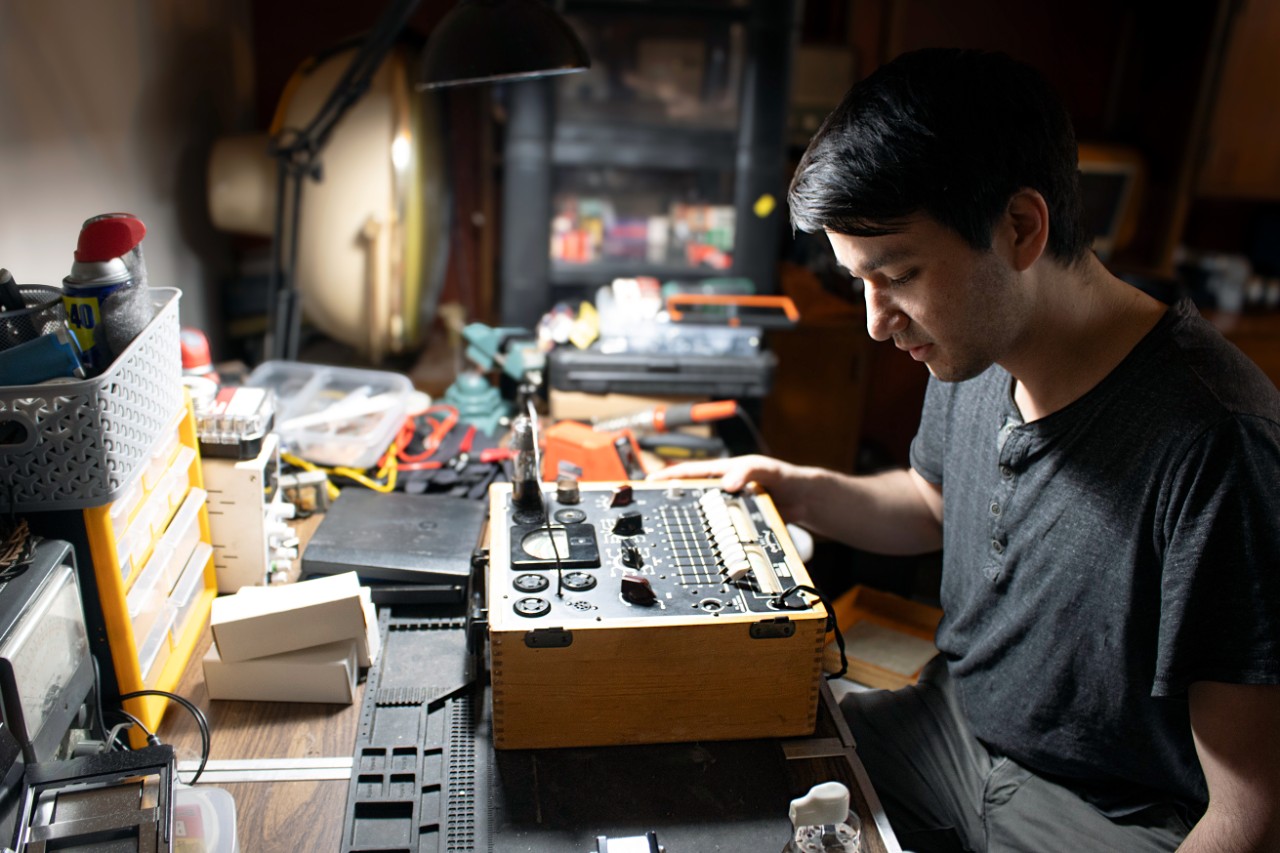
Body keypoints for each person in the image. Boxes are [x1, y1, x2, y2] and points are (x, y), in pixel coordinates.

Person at [651, 49, 1280, 852]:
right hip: (945, 729)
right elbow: (935, 505)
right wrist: (796, 486)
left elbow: (1250, 813)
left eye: (899, 274)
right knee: (710, 782)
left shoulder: (1220, 446)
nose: (878, 322)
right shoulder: (978, 340)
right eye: (860, 283)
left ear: (1020, 228)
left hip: (1099, 816)